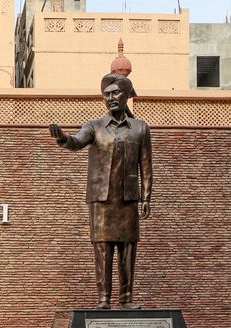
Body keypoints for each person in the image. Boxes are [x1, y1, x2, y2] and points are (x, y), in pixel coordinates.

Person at [49, 73, 153, 309]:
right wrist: (63, 137)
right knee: (103, 249)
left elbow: (146, 165)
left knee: (127, 250)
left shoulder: (140, 128)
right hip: (101, 199)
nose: (111, 98)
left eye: (115, 93)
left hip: (128, 200)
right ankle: (104, 300)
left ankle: (126, 300)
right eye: (106, 94)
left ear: (127, 95)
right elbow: (77, 141)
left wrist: (146, 197)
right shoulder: (94, 127)